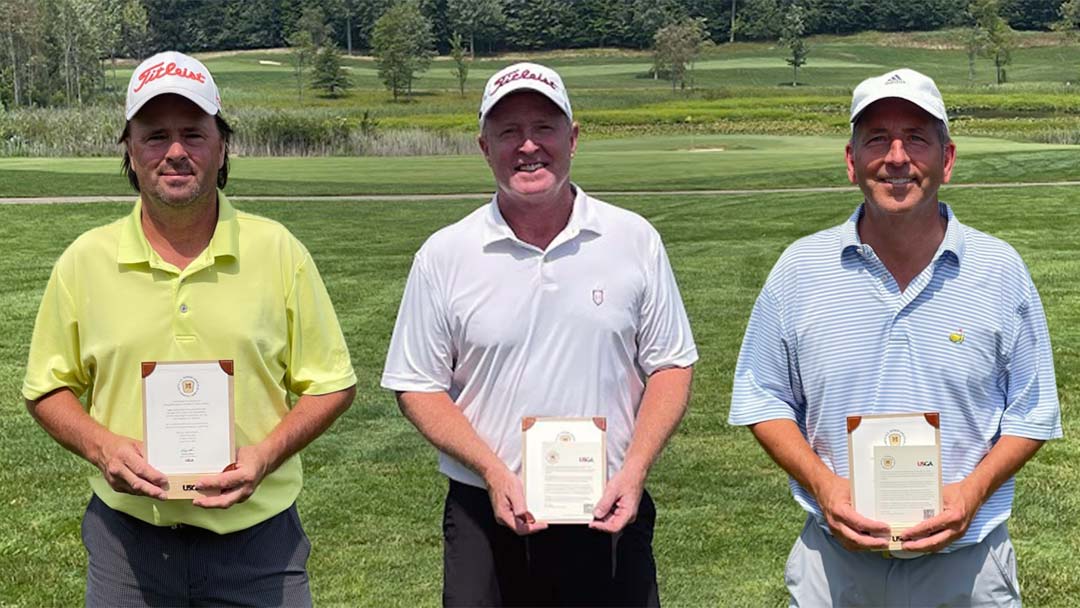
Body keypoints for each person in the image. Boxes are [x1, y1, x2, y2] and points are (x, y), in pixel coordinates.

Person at [22, 51, 356, 607]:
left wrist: (265, 455)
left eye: (193, 134)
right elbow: (46, 387)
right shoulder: (85, 260)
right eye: (154, 135)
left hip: (258, 544)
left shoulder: (279, 252)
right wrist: (102, 446)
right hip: (127, 546)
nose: (175, 152)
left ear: (222, 144)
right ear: (129, 149)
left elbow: (332, 383)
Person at [729, 67, 1061, 606]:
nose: (898, 157)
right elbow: (761, 398)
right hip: (835, 569)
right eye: (877, 138)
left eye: (917, 138)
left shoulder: (999, 270)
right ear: (851, 159)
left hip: (968, 568)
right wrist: (823, 484)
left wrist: (970, 494)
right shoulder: (800, 269)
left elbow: (1033, 412)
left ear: (947, 159)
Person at [381, 62, 697, 607]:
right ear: (484, 147)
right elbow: (416, 385)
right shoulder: (444, 255)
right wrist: (492, 470)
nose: (528, 146)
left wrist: (637, 467)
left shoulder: (633, 239)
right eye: (508, 132)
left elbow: (670, 365)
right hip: (486, 511)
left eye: (544, 128)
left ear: (573, 137)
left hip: (609, 505)